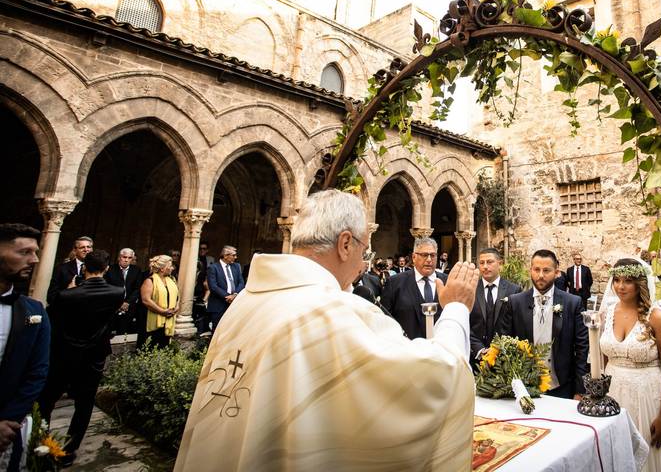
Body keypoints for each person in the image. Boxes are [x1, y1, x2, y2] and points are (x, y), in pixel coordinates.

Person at [174, 189, 479, 471]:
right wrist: (455, 307)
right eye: (364, 251)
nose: (363, 263)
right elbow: (437, 378)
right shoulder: (327, 312)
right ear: (345, 244)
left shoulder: (248, 300)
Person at [38, 249, 123, 465]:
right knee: (84, 404)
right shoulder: (117, 293)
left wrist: (70, 288)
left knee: (46, 401)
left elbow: (54, 321)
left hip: (65, 354)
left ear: (84, 267)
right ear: (105, 269)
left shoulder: (67, 296)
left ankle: (43, 445)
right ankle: (69, 450)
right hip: (94, 355)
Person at [599, 259, 661, 472]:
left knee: (646, 457)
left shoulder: (656, 317)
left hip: (646, 397)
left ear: (640, 283)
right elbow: (604, 359)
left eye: (628, 281)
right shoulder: (606, 314)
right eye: (616, 280)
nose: (620, 286)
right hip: (613, 396)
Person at [497, 249, 589, 399]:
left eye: (546, 270)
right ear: (530, 270)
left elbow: (582, 348)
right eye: (536, 269)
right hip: (523, 388)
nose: (541, 275)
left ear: (557, 272)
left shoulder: (573, 303)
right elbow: (505, 345)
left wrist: (580, 390)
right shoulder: (515, 302)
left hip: (561, 386)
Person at [0, 224, 49, 472]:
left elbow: (37, 372)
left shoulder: (34, 311)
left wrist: (8, 421)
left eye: (36, 252)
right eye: (24, 252)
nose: (35, 259)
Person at [382, 237, 448, 339]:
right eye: (424, 255)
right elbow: (385, 322)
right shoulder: (394, 283)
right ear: (413, 257)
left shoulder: (447, 283)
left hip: (441, 350)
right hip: (407, 350)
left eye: (433, 255)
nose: (429, 259)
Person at [469, 247, 521, 364]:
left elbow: (516, 325)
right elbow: (465, 323)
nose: (485, 266)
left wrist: (499, 350)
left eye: (490, 262)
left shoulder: (514, 290)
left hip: (504, 358)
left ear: (500, 264)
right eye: (481, 263)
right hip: (476, 358)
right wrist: (479, 350)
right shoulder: (470, 289)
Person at [139, 255, 179, 349]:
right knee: (150, 347)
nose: (172, 268)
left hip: (168, 320)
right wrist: (162, 311)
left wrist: (176, 307)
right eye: (170, 266)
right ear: (162, 269)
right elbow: (146, 300)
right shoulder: (150, 281)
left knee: (164, 347)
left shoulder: (172, 280)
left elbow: (177, 296)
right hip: (152, 321)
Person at [104, 248, 143, 336]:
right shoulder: (110, 269)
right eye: (124, 257)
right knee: (108, 332)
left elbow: (137, 289)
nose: (126, 260)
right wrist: (118, 303)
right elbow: (107, 287)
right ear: (119, 257)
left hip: (128, 307)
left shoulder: (136, 270)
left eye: (129, 258)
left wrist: (127, 302)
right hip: (112, 306)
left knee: (123, 332)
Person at [207, 245, 245, 332]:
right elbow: (213, 286)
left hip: (234, 303)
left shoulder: (236, 266)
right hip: (218, 304)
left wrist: (235, 295)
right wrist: (227, 296)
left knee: (232, 331)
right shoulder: (213, 268)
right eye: (233, 255)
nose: (236, 257)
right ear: (225, 256)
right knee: (217, 330)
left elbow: (241, 282)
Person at [47, 236, 93, 307]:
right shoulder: (61, 268)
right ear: (75, 250)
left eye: (88, 247)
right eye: (82, 247)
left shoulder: (97, 269)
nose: (86, 249)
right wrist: (68, 292)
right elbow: (50, 297)